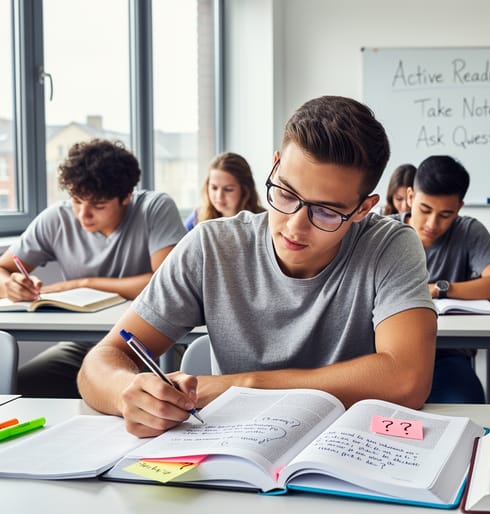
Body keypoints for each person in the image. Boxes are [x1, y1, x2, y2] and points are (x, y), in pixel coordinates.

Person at [77, 96, 437, 437]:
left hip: (343, 447)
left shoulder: (389, 245)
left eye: (326, 211)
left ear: (363, 208)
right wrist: (131, 392)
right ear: (276, 165)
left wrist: (243, 386)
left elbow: (406, 379)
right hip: (233, 449)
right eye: (285, 194)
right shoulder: (212, 246)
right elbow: (101, 362)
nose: (295, 225)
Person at [0, 139, 186, 398]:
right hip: (83, 347)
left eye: (98, 205)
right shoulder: (56, 219)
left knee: (149, 396)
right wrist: (10, 284)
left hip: (148, 346)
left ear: (126, 197)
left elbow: (165, 283)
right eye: (76, 200)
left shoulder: (154, 209)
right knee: (18, 387)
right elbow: (3, 269)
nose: (83, 214)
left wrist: (83, 283)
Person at [392, 155, 490, 403]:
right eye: (425, 210)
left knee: (467, 406)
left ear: (459, 207)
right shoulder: (384, 233)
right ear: (409, 197)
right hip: (390, 352)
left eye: (445, 214)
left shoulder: (468, 230)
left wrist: (441, 289)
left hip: (447, 354)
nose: (432, 224)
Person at [183, 152, 265, 231]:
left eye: (228, 189)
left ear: (245, 190)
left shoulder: (263, 221)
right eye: (214, 188)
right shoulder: (197, 218)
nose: (219, 196)